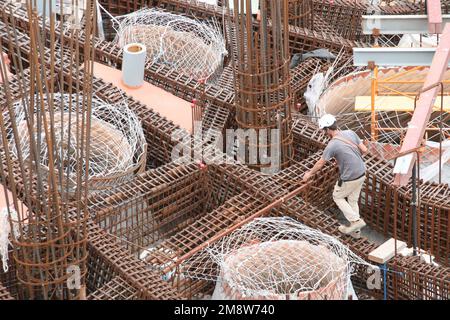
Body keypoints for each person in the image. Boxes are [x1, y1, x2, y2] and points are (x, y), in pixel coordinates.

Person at [303, 114, 369, 234]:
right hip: (362, 172)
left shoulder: (332, 145)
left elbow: (320, 164)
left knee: (337, 196)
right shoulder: (350, 132)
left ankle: (355, 221)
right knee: (352, 200)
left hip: (350, 177)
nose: (324, 133)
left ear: (327, 129)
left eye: (324, 130)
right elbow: (364, 150)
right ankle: (356, 232)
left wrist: (309, 174)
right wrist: (350, 159)